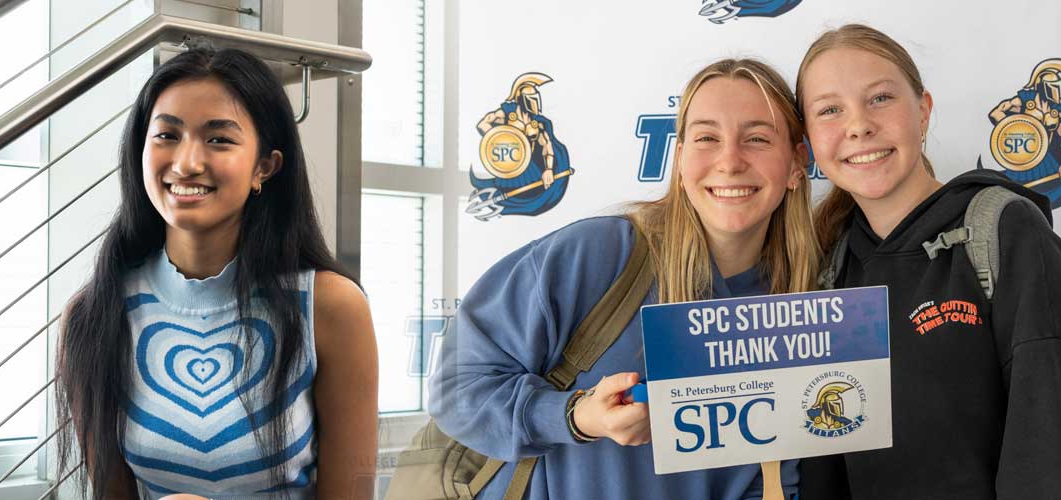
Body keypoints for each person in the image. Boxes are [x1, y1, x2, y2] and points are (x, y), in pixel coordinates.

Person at [791, 23, 1061, 500]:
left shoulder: (1003, 232)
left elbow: (1060, 443)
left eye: (880, 98)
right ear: (808, 141)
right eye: (830, 110)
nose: (858, 125)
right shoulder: (827, 270)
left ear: (923, 110)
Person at [428, 58, 815, 500]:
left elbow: (772, 472)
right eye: (707, 138)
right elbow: (457, 388)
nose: (730, 161)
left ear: (796, 163)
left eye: (758, 138)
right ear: (680, 159)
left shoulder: (806, 302)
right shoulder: (598, 255)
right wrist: (576, 416)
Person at [53, 46, 378, 499]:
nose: (186, 163)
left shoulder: (330, 307)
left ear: (264, 167)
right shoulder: (93, 316)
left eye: (219, 139)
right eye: (167, 135)